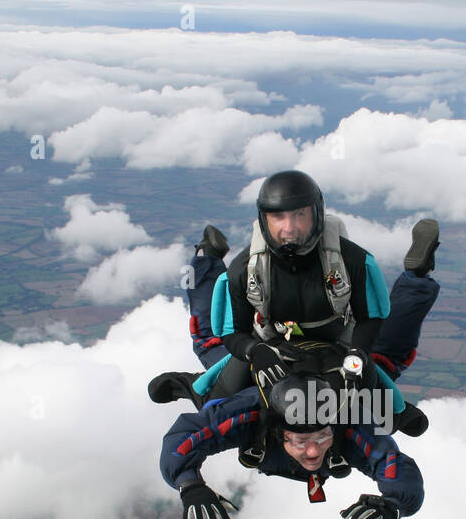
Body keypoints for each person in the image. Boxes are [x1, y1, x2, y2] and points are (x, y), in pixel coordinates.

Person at [150, 174, 440, 436]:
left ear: (317, 214)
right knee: (387, 357)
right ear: (264, 219)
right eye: (278, 217)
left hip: (339, 337)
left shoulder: (353, 260)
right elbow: (231, 331)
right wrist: (255, 351)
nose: (289, 228)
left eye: (299, 215)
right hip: (269, 341)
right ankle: (416, 277)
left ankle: (206, 258)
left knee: (209, 349)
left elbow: (371, 317)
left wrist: (357, 353)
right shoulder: (244, 269)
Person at [160, 372, 424, 519]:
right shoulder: (249, 414)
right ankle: (190, 382)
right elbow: (185, 437)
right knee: (215, 393)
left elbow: (392, 461)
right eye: (300, 441)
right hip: (258, 376)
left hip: (331, 373)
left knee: (383, 367)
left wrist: (396, 505)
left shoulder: (349, 423)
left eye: (323, 437)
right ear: (277, 432)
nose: (312, 451)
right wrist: (189, 484)